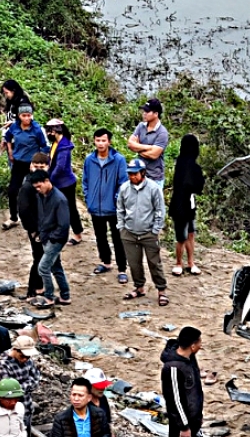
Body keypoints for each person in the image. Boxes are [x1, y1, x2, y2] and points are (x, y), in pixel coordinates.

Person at [117, 158, 167, 305]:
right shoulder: (124, 188)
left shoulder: (153, 188)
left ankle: (161, 290)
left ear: (143, 173)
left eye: (135, 174)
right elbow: (120, 209)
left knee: (154, 263)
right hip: (129, 232)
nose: (132, 176)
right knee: (134, 263)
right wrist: (121, 227)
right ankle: (139, 287)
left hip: (148, 233)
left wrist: (155, 229)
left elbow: (160, 210)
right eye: (130, 174)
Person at [82, 128, 128, 282]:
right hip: (95, 207)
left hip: (114, 208)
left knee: (118, 239)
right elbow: (85, 181)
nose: (100, 144)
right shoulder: (89, 160)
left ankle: (122, 269)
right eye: (98, 140)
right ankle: (106, 262)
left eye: (103, 140)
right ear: (94, 141)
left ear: (109, 142)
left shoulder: (119, 160)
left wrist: (116, 200)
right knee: (100, 237)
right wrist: (88, 198)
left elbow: (123, 183)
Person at [1, 103, 46, 227]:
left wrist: (39, 164)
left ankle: (38, 218)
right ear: (19, 116)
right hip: (18, 163)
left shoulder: (37, 129)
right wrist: (10, 151)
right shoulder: (14, 127)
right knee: (12, 191)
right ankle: (13, 218)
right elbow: (7, 137)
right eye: (24, 115)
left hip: (32, 165)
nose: (27, 118)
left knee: (33, 191)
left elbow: (44, 147)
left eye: (29, 115)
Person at [32, 170, 71, 307]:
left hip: (55, 239)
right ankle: (65, 296)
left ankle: (49, 297)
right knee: (56, 267)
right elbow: (42, 216)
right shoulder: (41, 196)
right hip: (46, 237)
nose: (38, 189)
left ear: (47, 181)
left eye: (39, 186)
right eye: (36, 187)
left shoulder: (59, 199)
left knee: (43, 268)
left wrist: (52, 238)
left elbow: (64, 224)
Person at [14, 151, 49, 297]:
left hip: (45, 226)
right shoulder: (28, 186)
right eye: (36, 166)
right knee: (39, 257)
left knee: (44, 256)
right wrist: (33, 230)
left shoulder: (46, 182)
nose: (39, 169)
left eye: (42, 166)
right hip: (36, 228)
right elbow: (23, 210)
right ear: (30, 166)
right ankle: (33, 290)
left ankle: (39, 286)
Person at [44, 118, 84, 245]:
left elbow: (60, 167)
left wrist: (50, 179)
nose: (48, 134)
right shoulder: (56, 143)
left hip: (65, 183)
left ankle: (77, 234)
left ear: (55, 131)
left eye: (49, 131)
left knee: (71, 209)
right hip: (58, 182)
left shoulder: (64, 146)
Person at [170, 133, 204, 275]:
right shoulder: (185, 165)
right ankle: (179, 263)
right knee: (181, 236)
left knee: (190, 233)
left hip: (189, 204)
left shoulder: (187, 164)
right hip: (180, 204)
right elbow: (194, 185)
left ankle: (191, 262)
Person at [125, 98, 168, 186]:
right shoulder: (141, 126)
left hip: (155, 178)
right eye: (144, 111)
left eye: (147, 111)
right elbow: (130, 144)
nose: (144, 113)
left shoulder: (162, 132)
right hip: (139, 175)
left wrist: (137, 147)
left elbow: (154, 155)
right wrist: (149, 147)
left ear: (156, 114)